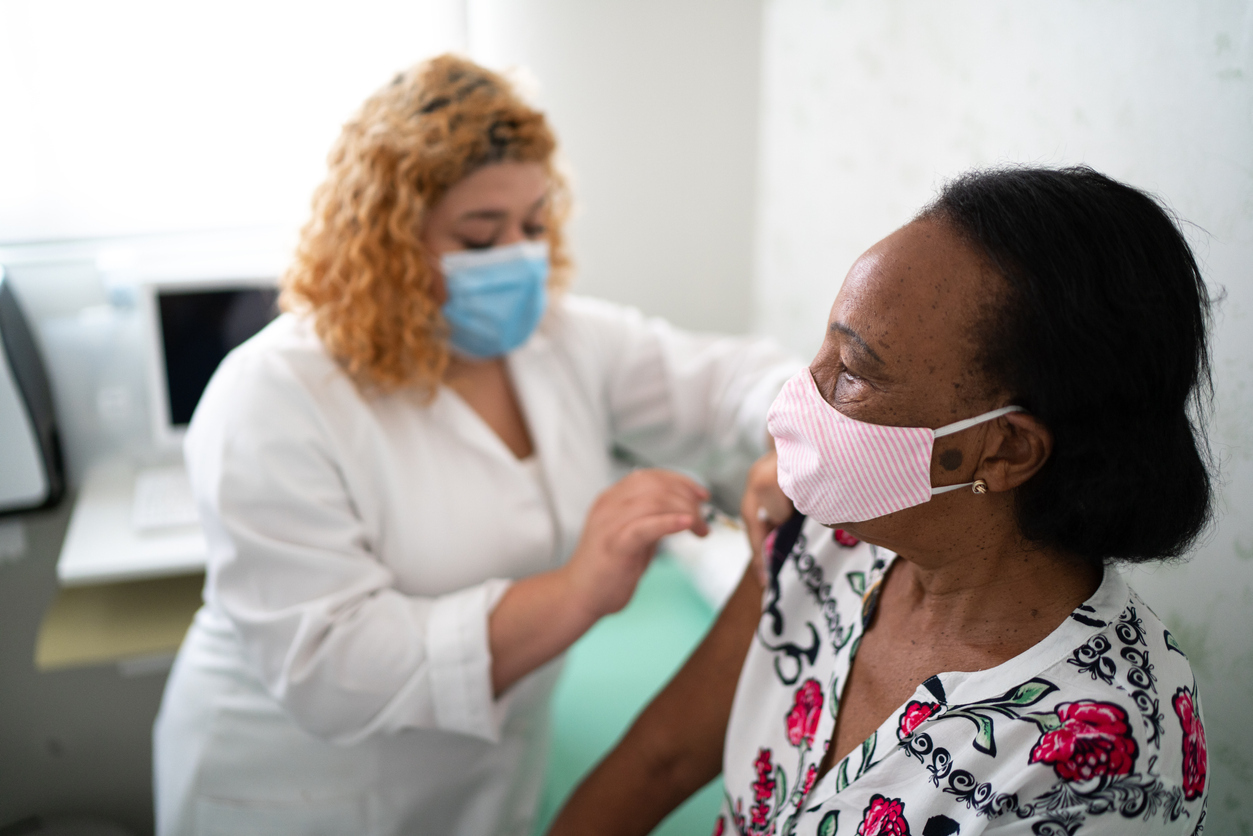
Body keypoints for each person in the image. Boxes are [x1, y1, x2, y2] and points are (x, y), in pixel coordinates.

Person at [152, 54, 798, 836]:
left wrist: (798, 445)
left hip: (486, 778)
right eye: (480, 235)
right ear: (383, 242)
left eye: (533, 225)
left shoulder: (557, 342)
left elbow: (735, 381)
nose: (520, 257)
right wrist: (577, 589)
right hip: (298, 790)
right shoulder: (276, 393)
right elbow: (330, 671)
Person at [548, 166, 1213, 835]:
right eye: (824, 346)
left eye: (852, 373)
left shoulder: (1103, 758)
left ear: (1005, 450)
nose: (801, 394)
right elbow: (658, 761)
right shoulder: (826, 536)